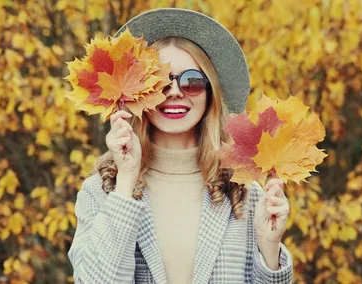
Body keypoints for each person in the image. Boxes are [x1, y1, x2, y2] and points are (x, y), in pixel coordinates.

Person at [68, 8, 293, 284]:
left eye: (192, 81)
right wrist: (126, 181)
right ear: (138, 93)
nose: (175, 91)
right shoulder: (102, 190)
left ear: (210, 92)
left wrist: (269, 247)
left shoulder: (245, 193)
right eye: (160, 81)